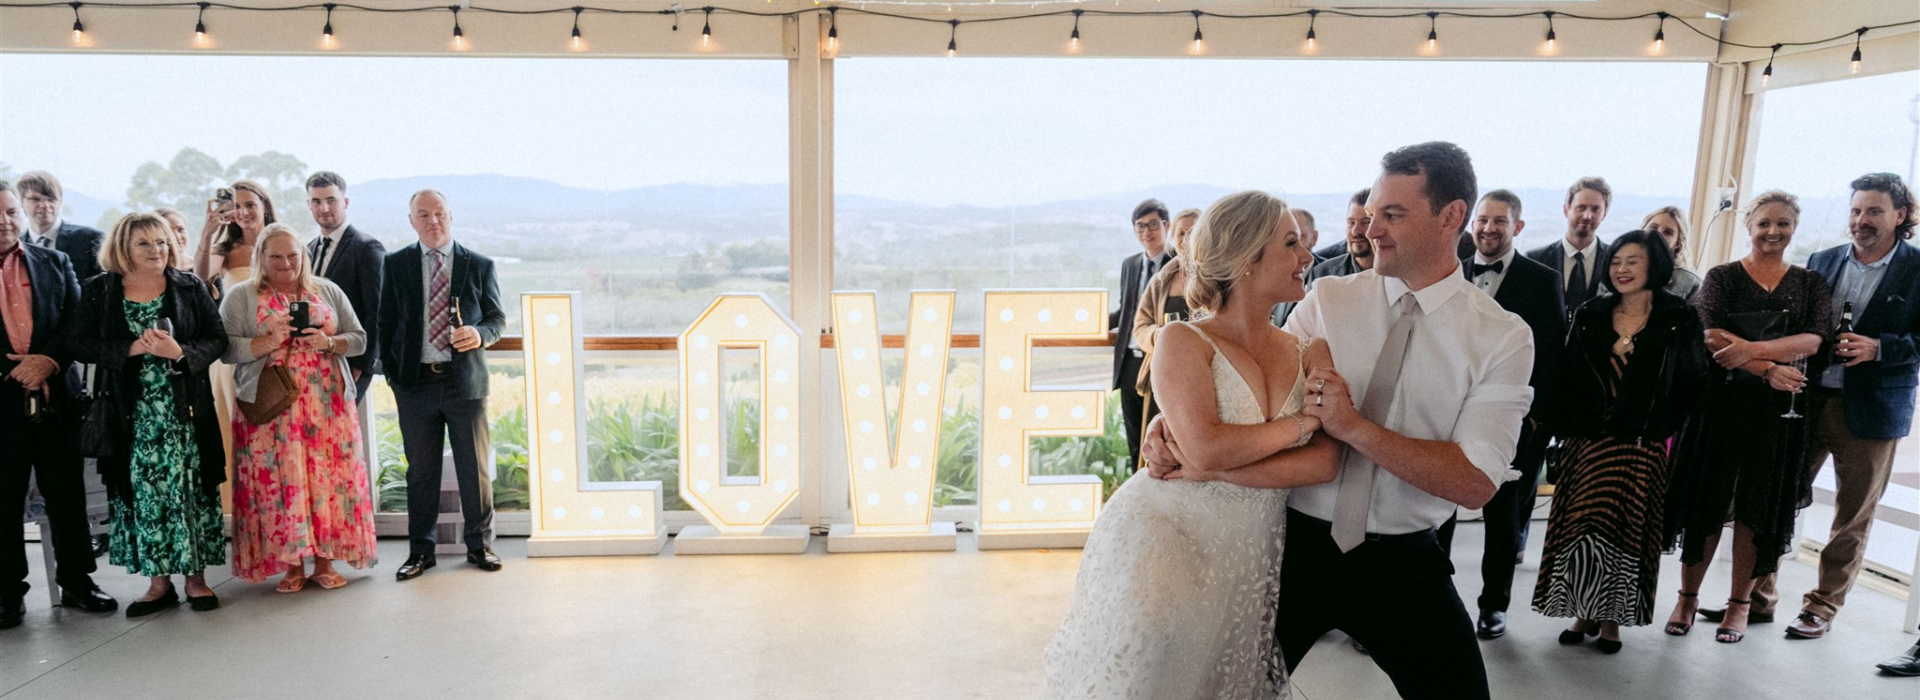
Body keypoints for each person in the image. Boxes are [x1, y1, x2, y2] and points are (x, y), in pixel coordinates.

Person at [1153, 142, 1534, 699]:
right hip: (1288, 547)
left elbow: (1474, 482)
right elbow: (1250, 392)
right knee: (1223, 691)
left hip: (1404, 562)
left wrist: (1354, 428)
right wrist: (1171, 426)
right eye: (1371, 213)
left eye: (1392, 215)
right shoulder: (1326, 300)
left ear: (1452, 216)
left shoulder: (1502, 336)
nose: (1368, 229)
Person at [1041, 190, 1336, 699]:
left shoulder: (1313, 349)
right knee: (1154, 672)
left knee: (1223, 677)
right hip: (1165, 530)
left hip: (1250, 549)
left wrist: (1221, 461)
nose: (1307, 256)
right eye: (1291, 244)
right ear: (1246, 259)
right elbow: (1203, 449)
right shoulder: (1182, 341)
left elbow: (1328, 462)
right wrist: (1298, 426)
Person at [1726, 173, 1916, 641]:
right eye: (1855, 211)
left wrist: (1880, 348)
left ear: (1900, 215)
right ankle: (1755, 599)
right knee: (1777, 500)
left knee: (1851, 517)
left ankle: (1821, 607)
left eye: (1873, 211)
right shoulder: (1822, 261)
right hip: (1806, 402)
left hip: (1871, 411)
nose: (1861, 220)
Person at [1665, 190, 1830, 644]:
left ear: (1794, 227)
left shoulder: (1811, 282)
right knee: (1707, 502)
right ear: (1749, 226)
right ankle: (1687, 597)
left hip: (1781, 413)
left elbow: (1815, 340)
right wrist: (1770, 368)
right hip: (1718, 406)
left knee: (1758, 508)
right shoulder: (1722, 275)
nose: (1772, 232)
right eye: (1764, 223)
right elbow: (1710, 333)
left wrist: (1752, 351)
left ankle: (1740, 604)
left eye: (1782, 224)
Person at [1532, 230, 1708, 653]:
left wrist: (1662, 424)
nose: (1622, 269)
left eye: (1633, 261)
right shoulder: (1593, 311)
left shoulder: (1677, 315)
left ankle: (1611, 619)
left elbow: (1693, 381)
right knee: (1583, 529)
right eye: (1616, 262)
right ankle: (1581, 611)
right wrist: (1555, 421)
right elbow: (1570, 373)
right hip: (1588, 441)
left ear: (1655, 266)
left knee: (1625, 534)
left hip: (1640, 445)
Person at [60, 212, 228, 617]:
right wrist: (127, 350)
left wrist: (182, 353)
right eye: (145, 243)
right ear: (123, 248)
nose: (157, 250)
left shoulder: (189, 286)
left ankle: (196, 580)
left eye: (162, 242)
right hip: (130, 417)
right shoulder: (99, 291)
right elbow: (76, 343)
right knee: (145, 498)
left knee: (188, 491)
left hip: (184, 412)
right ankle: (158, 585)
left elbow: (217, 339)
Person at [1436, 189, 1565, 641]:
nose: (1488, 229)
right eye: (1482, 221)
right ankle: (1436, 597)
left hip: (1513, 419)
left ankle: (1494, 606)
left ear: (1518, 227)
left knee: (1502, 514)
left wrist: (1532, 419)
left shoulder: (1541, 279)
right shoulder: (1452, 273)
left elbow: (1551, 352)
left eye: (1500, 222)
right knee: (1438, 509)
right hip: (1449, 412)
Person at [222, 224, 377, 592]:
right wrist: (267, 341)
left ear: (303, 256)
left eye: (293, 255)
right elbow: (225, 348)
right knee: (279, 484)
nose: (286, 263)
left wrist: (328, 341)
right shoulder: (241, 295)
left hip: (328, 406)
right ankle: (292, 565)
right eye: (276, 256)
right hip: (270, 408)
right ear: (260, 256)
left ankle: (323, 561)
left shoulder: (327, 290)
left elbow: (359, 339)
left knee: (327, 481)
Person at [0, 181, 117, 630]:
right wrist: (17, 370)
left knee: (66, 495)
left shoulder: (55, 261)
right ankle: (7, 593)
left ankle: (78, 582)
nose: (6, 221)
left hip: (56, 398)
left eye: (11, 212)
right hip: (3, 403)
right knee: (3, 500)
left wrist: (47, 360)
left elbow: (76, 324)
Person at [381, 190, 506, 580]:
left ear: (451, 216)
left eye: (439, 213)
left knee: (474, 470)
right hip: (415, 384)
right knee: (420, 472)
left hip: (464, 383)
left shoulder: (479, 264)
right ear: (411, 220)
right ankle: (421, 551)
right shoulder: (396, 263)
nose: (432, 221)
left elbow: (496, 319)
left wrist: (480, 334)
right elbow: (385, 323)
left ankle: (480, 545)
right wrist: (394, 376)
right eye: (423, 214)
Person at [194, 180, 277, 494]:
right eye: (236, 206)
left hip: (277, 352)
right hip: (235, 356)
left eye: (250, 205)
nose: (243, 212)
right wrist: (208, 231)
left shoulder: (282, 242)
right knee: (239, 434)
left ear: (264, 207)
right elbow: (200, 278)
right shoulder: (226, 249)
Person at [305, 172, 385, 402]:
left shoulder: (367, 248)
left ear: (345, 202)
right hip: (314, 360)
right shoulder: (309, 249)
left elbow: (377, 310)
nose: (324, 208)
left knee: (341, 430)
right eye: (316, 201)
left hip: (351, 359)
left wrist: (362, 365)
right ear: (308, 205)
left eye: (331, 200)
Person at [1109, 199, 1174, 471]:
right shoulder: (1130, 265)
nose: (1146, 232)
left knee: (1160, 437)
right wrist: (1094, 320)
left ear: (1166, 226)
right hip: (1130, 361)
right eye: (1140, 226)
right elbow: (1127, 309)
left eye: (1152, 225)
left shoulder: (1177, 264)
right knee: (1134, 437)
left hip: (1161, 360)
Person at [1132, 207, 1200, 434]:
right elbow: (1141, 325)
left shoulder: (1220, 280)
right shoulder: (1160, 281)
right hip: (1162, 375)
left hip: (1201, 377)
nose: (1186, 239)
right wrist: (1157, 336)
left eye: (1193, 233)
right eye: (1181, 233)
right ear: (1173, 238)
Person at [1278, 189, 1373, 327]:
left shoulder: (1396, 273)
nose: (1355, 231)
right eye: (1351, 223)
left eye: (1366, 222)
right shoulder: (1322, 273)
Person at [1527, 177, 1616, 320]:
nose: (1588, 216)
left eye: (1595, 209)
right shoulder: (1535, 259)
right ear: (1565, 209)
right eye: (1581, 208)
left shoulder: (1615, 259)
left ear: (1604, 213)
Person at [16, 171, 105, 282]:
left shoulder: (90, 239)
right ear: (21, 202)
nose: (44, 205)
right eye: (35, 199)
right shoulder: (14, 246)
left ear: (60, 202)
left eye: (51, 199)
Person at [1641, 206, 1702, 301]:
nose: (1657, 234)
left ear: (1677, 243)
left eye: (1668, 232)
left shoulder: (1690, 283)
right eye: (1653, 227)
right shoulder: (1618, 269)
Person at [153, 207, 195, 272]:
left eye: (180, 229)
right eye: (169, 232)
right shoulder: (152, 271)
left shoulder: (205, 268)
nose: (177, 236)